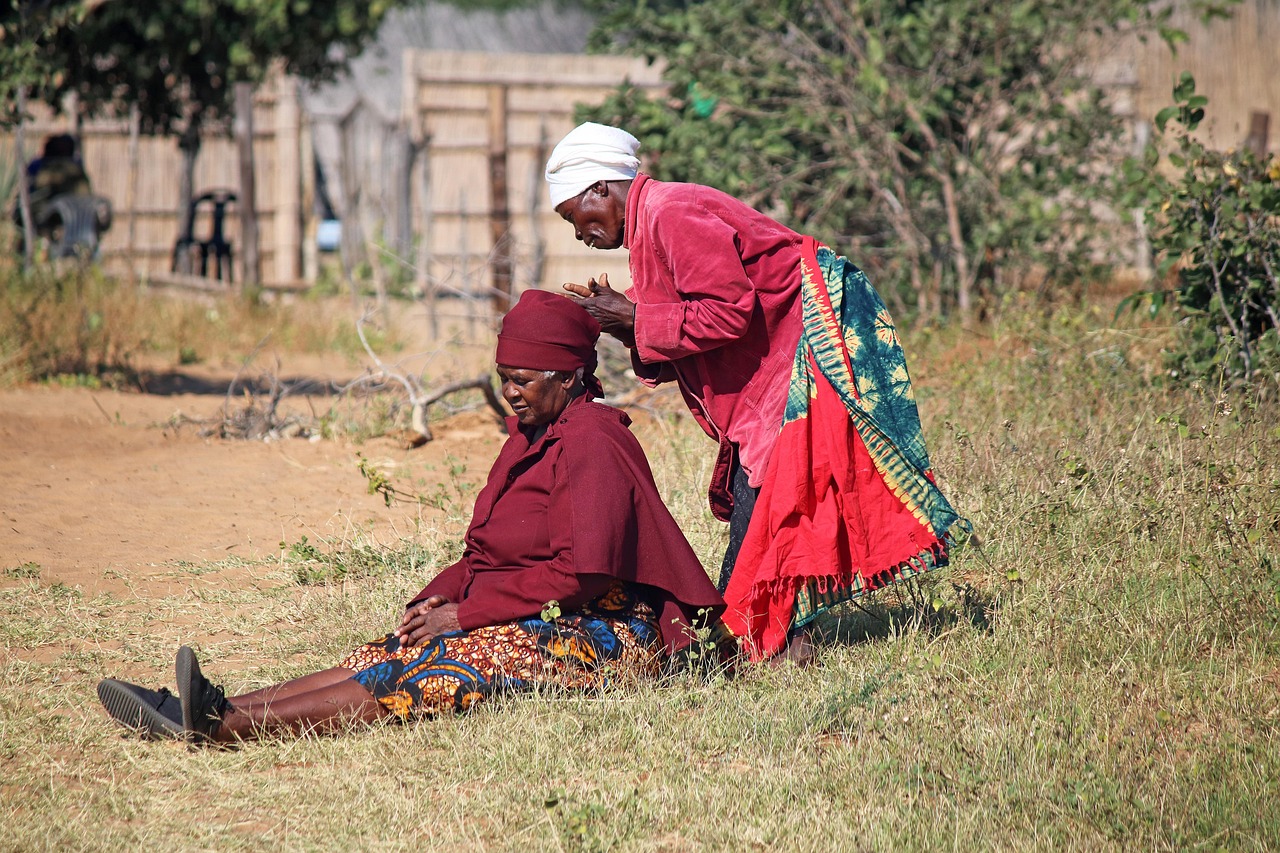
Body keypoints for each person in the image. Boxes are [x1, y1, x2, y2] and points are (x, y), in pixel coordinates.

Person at [96, 290, 726, 744]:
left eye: (525, 380)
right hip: (537, 605)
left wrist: (468, 614)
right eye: (504, 377)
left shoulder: (591, 442)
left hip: (602, 631)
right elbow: (486, 554)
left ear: (572, 375)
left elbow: (580, 578)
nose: (511, 392)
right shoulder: (532, 432)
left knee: (440, 667)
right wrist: (441, 596)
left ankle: (225, 727)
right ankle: (206, 708)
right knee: (386, 649)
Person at [547, 122, 970, 663]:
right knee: (766, 501)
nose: (577, 233)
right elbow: (697, 309)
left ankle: (750, 641)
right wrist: (628, 321)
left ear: (600, 189)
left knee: (770, 506)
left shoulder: (670, 213)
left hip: (801, 348)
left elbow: (728, 312)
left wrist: (636, 317)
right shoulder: (652, 224)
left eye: (572, 216)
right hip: (772, 365)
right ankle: (775, 640)